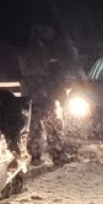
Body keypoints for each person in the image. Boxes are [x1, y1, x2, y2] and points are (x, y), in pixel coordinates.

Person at [18, 23, 78, 165]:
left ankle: (35, 155)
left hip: (31, 92)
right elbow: (55, 70)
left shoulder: (25, 50)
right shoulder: (43, 50)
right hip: (44, 93)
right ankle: (56, 155)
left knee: (34, 125)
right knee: (52, 124)